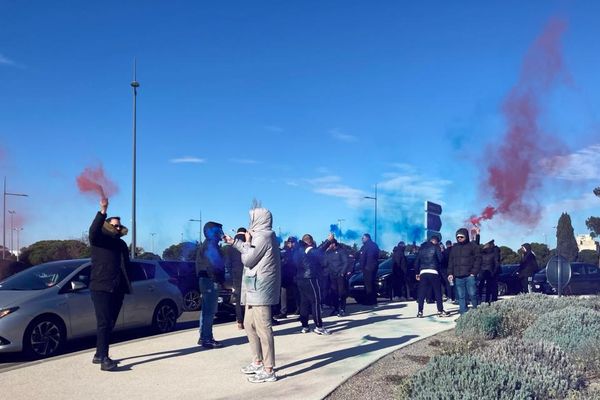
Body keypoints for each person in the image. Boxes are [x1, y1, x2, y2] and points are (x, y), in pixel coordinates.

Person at [225, 207, 281, 383]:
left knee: (264, 328)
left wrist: (246, 241)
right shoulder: (259, 236)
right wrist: (234, 242)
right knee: (249, 325)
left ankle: (269, 369)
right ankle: (257, 361)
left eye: (252, 218)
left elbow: (248, 259)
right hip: (253, 288)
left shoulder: (264, 236)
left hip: (261, 289)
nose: (250, 221)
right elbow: (249, 252)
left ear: (259, 219)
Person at [89, 198, 132, 371]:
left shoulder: (121, 244)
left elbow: (126, 265)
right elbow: (93, 231)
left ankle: (99, 354)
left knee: (110, 322)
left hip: (118, 287)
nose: (118, 227)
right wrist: (103, 210)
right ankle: (104, 359)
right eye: (114, 225)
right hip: (101, 286)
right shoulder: (99, 239)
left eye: (119, 225)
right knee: (104, 322)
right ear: (106, 225)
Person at [196, 221, 226, 349]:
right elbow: (211, 266)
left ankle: (203, 336)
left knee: (206, 310)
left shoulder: (208, 244)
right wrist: (218, 281)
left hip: (206, 280)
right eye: (219, 231)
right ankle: (207, 338)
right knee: (209, 311)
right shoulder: (210, 245)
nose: (221, 234)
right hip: (209, 281)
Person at [295, 234, 331, 335]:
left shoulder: (297, 250)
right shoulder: (308, 249)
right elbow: (319, 251)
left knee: (304, 303)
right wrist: (328, 241)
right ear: (310, 241)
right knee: (316, 301)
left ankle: (305, 326)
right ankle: (319, 326)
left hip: (300, 279)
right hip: (310, 278)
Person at [415, 235, 450, 318]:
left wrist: (417, 273)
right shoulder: (436, 247)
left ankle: (420, 312)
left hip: (423, 272)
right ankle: (440, 310)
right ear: (435, 241)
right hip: (434, 271)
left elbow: (416, 262)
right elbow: (441, 259)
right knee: (438, 292)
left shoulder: (421, 249)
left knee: (422, 293)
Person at [447, 228, 481, 315]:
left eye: (461, 237)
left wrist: (474, 272)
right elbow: (451, 261)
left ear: (466, 236)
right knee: (461, 297)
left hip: (469, 276)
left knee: (472, 294)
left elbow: (478, 259)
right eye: (458, 237)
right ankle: (463, 315)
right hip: (458, 277)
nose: (459, 238)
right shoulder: (454, 248)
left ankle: (476, 313)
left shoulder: (472, 246)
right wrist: (450, 273)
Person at [323, 239, 351, 317]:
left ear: (334, 244)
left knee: (341, 292)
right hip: (332, 275)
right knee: (334, 292)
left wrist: (342, 272)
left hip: (340, 275)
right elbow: (325, 263)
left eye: (330, 244)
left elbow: (346, 262)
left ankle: (342, 309)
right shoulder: (328, 253)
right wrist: (325, 252)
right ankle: (336, 308)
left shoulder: (341, 251)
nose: (329, 246)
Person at [225, 227, 247, 329]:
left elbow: (228, 264)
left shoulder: (230, 246)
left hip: (236, 274)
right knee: (250, 297)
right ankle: (249, 319)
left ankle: (240, 321)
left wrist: (231, 274)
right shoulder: (248, 242)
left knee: (238, 298)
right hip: (248, 272)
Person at [274, 237, 298, 319]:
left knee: (296, 294)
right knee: (284, 295)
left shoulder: (295, 251)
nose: (292, 244)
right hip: (286, 276)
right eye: (290, 242)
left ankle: (298, 309)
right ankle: (283, 311)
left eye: (293, 242)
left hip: (292, 276)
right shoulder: (284, 251)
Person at [359, 233, 380, 305]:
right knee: (371, 284)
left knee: (368, 284)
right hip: (372, 267)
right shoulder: (374, 245)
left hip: (368, 267)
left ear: (367, 238)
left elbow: (364, 257)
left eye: (363, 238)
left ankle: (370, 300)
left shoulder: (367, 246)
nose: (362, 240)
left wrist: (363, 266)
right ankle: (373, 300)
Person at [479, 239, 500, 304]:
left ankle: (484, 300)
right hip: (491, 272)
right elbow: (496, 263)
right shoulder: (494, 252)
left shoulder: (482, 254)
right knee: (492, 287)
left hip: (484, 272)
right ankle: (492, 300)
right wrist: (494, 272)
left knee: (484, 286)